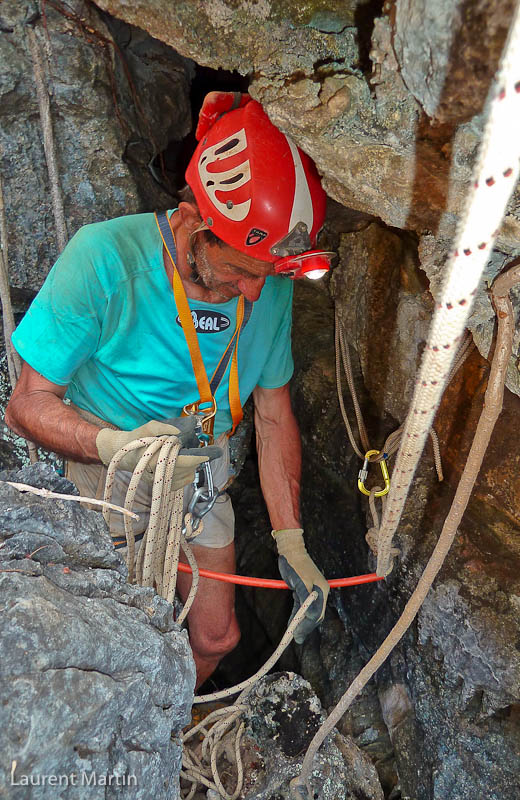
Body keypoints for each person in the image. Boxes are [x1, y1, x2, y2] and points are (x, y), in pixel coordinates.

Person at [5, 92, 334, 688]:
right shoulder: (104, 259)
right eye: (241, 271)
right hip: (101, 468)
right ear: (195, 220)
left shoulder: (268, 288)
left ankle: (173, 731)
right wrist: (113, 446)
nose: (254, 294)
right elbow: (26, 405)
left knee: (216, 637)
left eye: (265, 277)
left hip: (201, 474)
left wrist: (291, 538)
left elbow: (274, 414)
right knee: (112, 633)